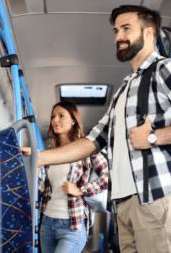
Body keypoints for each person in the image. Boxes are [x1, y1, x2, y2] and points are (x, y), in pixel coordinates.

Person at [23, 5, 171, 253]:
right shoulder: (124, 89)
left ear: (149, 33)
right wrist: (39, 158)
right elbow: (93, 141)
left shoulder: (166, 69)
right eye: (116, 30)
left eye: (126, 28)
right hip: (125, 206)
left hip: (157, 198)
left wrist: (153, 137)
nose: (118, 36)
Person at [37, 100, 108, 253]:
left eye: (61, 116)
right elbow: (46, 191)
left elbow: (107, 176)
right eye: (53, 116)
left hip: (72, 225)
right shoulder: (51, 152)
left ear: (74, 120)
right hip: (47, 223)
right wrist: (37, 178)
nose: (55, 120)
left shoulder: (85, 148)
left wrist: (81, 190)